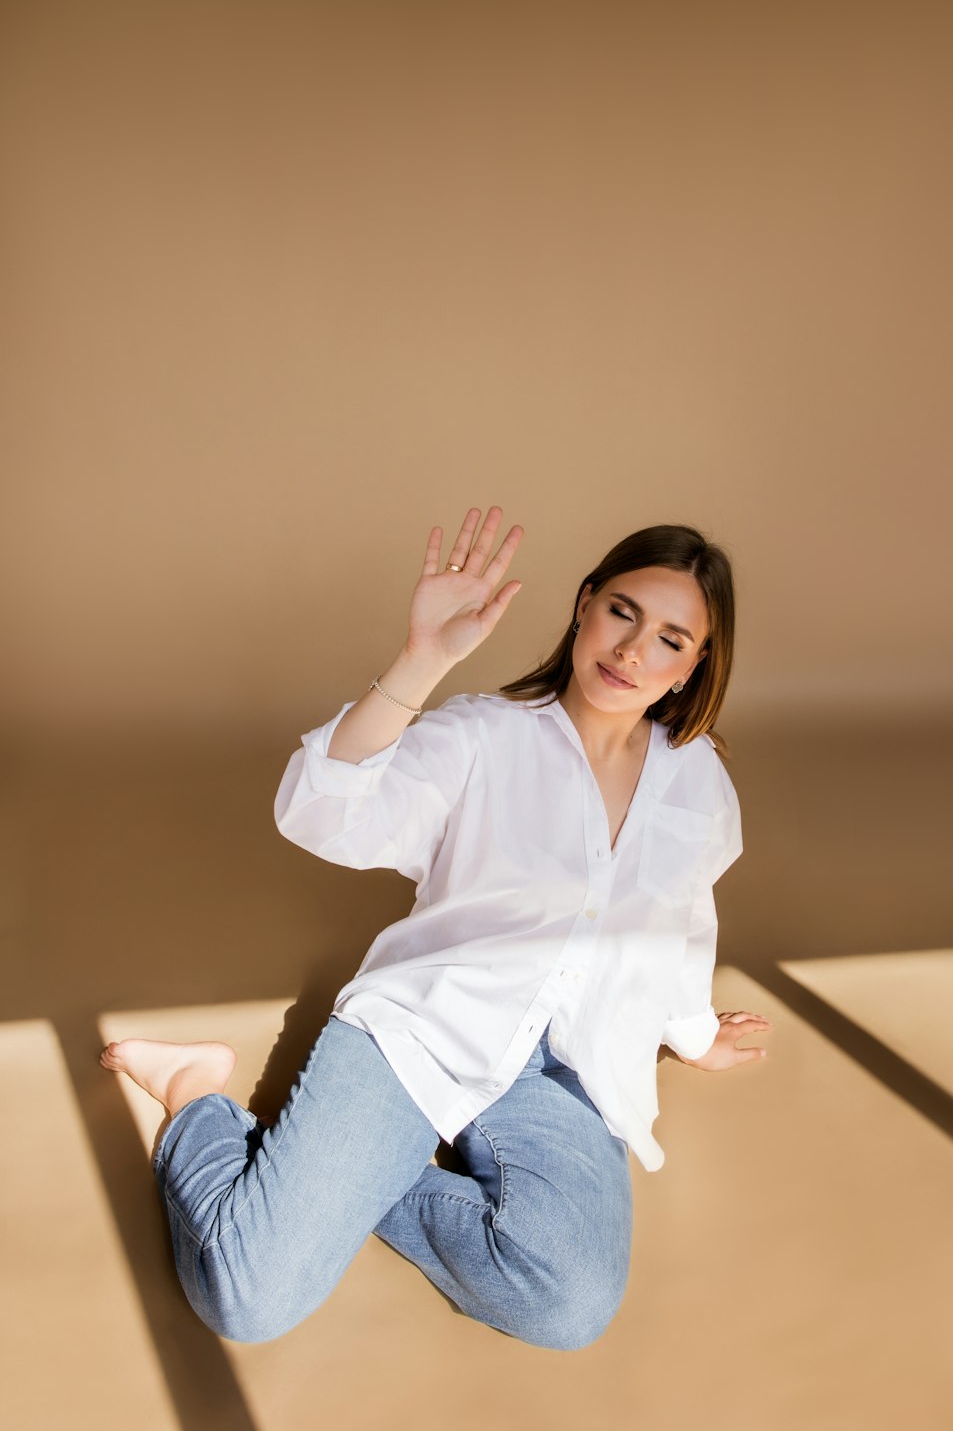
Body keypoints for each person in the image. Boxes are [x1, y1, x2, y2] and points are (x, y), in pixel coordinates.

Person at [99, 503, 771, 1352]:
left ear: (694, 665)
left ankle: (320, 1185)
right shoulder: (485, 735)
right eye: (623, 613)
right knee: (249, 1299)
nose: (635, 651)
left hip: (571, 1066)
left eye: (672, 639)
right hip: (422, 1031)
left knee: (566, 1304)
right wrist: (421, 662)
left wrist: (694, 1032)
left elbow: (680, 921)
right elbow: (321, 816)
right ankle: (198, 1095)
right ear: (585, 603)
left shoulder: (697, 779)